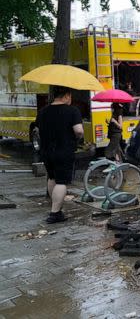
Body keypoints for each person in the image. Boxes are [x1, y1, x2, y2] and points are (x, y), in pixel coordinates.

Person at [35, 85, 84, 224]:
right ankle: (55, 214)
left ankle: (56, 208)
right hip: (64, 150)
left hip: (46, 151)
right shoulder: (72, 111)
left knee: (52, 177)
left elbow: (38, 129)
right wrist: (78, 138)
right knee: (62, 181)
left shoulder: (43, 111)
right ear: (67, 95)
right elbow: (79, 131)